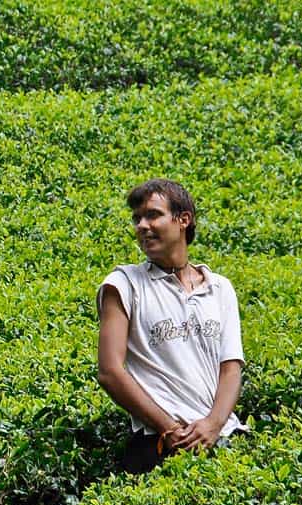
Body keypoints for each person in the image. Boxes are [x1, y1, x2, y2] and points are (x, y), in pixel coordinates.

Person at [96, 178, 246, 474]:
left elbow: (231, 368)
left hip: (225, 438)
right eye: (137, 218)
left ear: (183, 220)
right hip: (159, 444)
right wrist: (169, 429)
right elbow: (109, 371)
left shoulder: (220, 288)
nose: (142, 226)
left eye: (153, 215)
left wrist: (213, 425)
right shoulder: (123, 285)